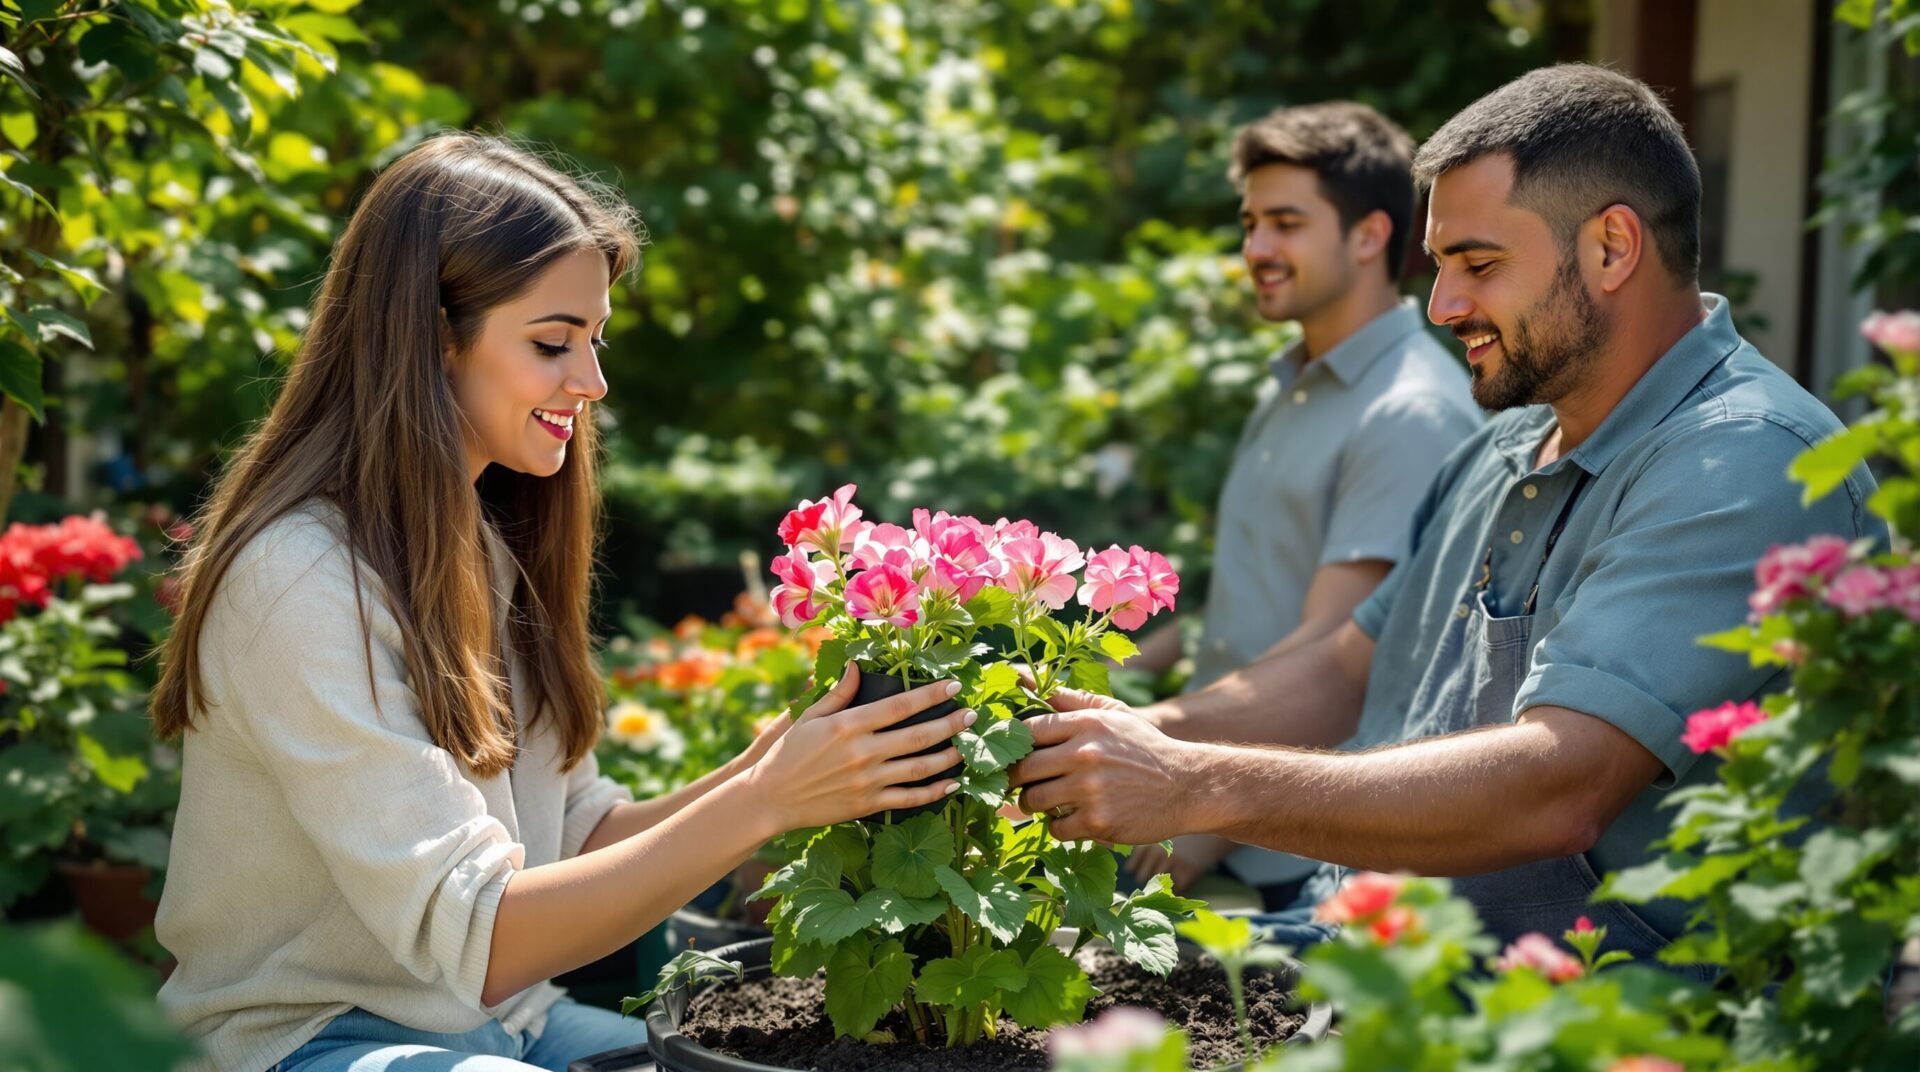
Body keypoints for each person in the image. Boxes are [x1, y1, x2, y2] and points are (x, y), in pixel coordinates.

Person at [1009, 65, 1880, 964]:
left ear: (1613, 248)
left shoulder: (1742, 462)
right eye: (1441, 268)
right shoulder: (1508, 445)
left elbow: (1560, 784)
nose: (1442, 306)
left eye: (1480, 264)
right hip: (1384, 964)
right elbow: (1350, 667)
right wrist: (1099, 735)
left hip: (1599, 1027)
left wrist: (1195, 786)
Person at [150, 134, 972, 1072]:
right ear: (431, 336)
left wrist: (779, 772)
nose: (592, 381)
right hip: (307, 1041)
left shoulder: (479, 541)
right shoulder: (300, 578)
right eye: (553, 343)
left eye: (593, 339)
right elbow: (484, 938)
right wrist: (759, 801)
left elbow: (573, 837)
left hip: (501, 1028)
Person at [1123, 102, 1480, 907]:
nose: (1255, 249)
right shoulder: (1293, 383)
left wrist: (1201, 806)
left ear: (1369, 235)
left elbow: (1339, 658)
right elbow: (1256, 603)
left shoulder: (1408, 411)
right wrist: (1101, 679)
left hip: (1287, 854)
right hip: (1208, 802)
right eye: (1250, 223)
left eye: (1285, 222)